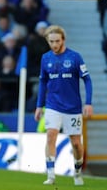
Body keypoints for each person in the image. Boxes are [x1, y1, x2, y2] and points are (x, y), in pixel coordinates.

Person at [34, 25, 93, 186]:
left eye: (57, 41)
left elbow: (87, 80)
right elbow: (42, 82)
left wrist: (88, 103)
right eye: (51, 41)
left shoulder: (75, 57)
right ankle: (51, 175)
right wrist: (39, 105)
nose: (54, 44)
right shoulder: (45, 58)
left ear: (63, 40)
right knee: (50, 135)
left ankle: (77, 171)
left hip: (73, 107)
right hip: (52, 105)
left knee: (76, 143)